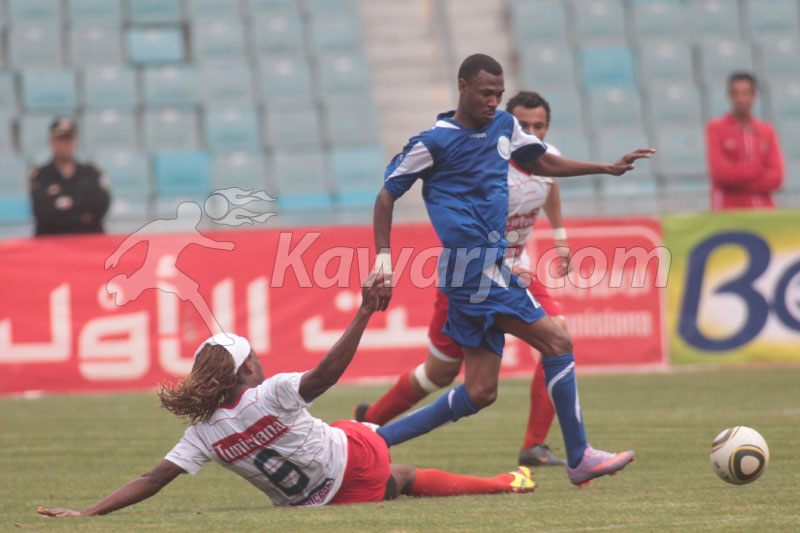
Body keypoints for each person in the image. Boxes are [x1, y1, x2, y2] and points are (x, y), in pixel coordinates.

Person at [370, 54, 653, 487]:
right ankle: (579, 457)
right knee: (557, 340)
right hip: (473, 271)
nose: (493, 102)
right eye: (486, 93)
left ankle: (372, 444)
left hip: (478, 270)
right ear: (462, 87)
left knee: (480, 392)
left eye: (499, 94)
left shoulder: (503, 126)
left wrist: (605, 168)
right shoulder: (434, 142)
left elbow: (539, 162)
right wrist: (384, 262)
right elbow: (387, 195)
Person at [36, 273, 535, 518]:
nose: (259, 361)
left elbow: (153, 478)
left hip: (308, 503)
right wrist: (363, 312)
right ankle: (502, 472)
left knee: (364, 439)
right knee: (383, 454)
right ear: (242, 370)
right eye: (251, 356)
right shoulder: (270, 393)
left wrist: (87, 514)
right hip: (353, 465)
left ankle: (493, 463)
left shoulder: (202, 434)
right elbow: (324, 374)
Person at [355, 91, 573, 468]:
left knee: (558, 336)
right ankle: (370, 422)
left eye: (539, 126)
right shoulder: (486, 163)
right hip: (472, 274)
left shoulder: (542, 158)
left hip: (514, 271)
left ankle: (536, 445)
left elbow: (548, 186)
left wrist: (559, 237)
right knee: (440, 373)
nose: (531, 131)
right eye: (524, 125)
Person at [706, 72, 784, 211]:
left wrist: (737, 180)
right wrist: (757, 170)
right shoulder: (716, 128)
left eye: (746, 93)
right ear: (729, 96)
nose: (741, 99)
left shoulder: (766, 130)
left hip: (763, 210)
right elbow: (720, 174)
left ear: (754, 95)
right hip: (729, 210)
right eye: (736, 94)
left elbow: (776, 177)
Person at [29, 116, 110, 236]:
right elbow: (42, 213)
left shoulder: (91, 173)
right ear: (52, 141)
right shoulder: (41, 175)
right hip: (52, 243)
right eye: (60, 139)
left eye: (68, 138)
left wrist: (64, 206)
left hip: (88, 241)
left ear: (75, 141)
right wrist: (82, 213)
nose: (65, 144)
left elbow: (100, 207)